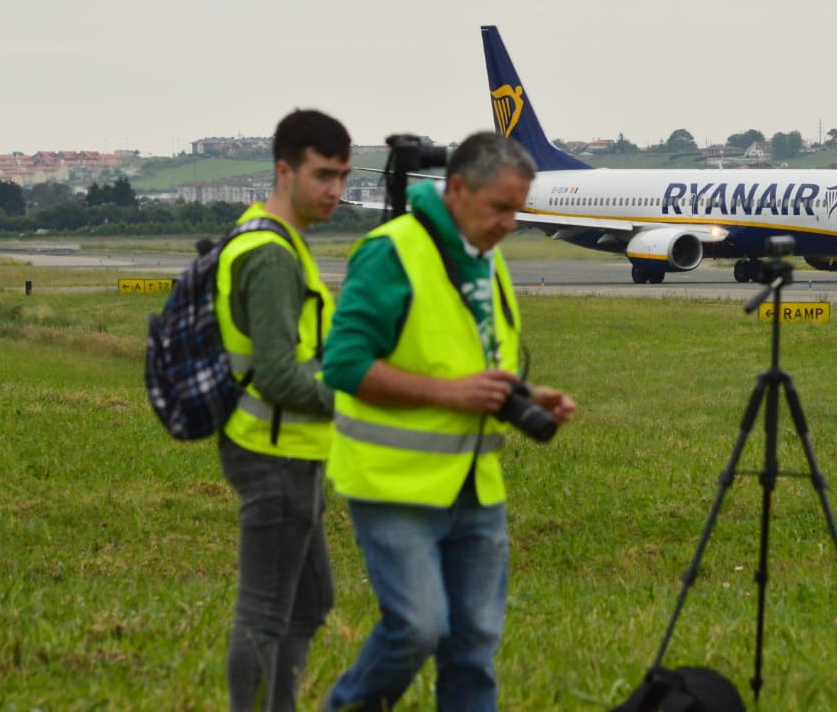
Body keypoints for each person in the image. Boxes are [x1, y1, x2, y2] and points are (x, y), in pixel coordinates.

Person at [321, 131, 576, 712]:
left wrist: (528, 396)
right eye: (501, 208)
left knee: (473, 646)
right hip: (396, 485)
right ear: (457, 189)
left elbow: (470, 361)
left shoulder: (484, 258)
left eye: (519, 208)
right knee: (417, 627)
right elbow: (343, 365)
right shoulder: (392, 252)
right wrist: (449, 395)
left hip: (474, 485)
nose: (512, 223)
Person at [216, 108, 352, 710]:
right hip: (272, 454)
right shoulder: (270, 254)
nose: (336, 191)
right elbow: (275, 372)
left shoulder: (269, 236)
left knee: (312, 601)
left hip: (292, 450)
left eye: (344, 176)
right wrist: (351, 403)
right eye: (323, 175)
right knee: (264, 613)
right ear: (283, 170)